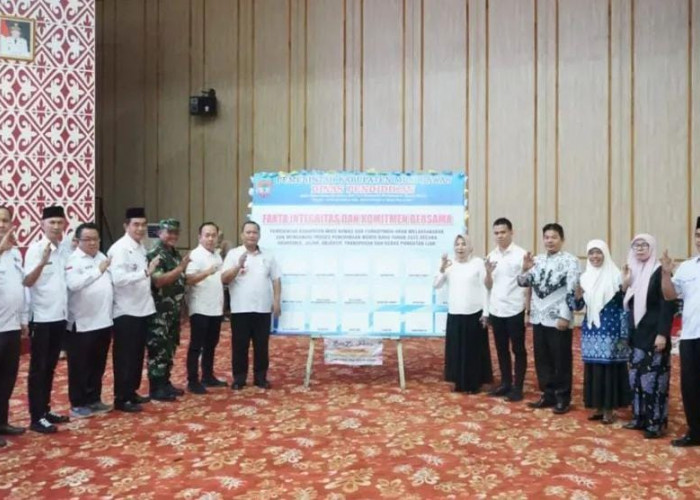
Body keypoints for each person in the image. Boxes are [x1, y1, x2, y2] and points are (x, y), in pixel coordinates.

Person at [517, 223, 579, 415]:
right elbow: (522, 282)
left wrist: (565, 316)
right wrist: (524, 269)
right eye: (546, 237)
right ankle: (548, 393)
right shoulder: (537, 260)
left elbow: (571, 290)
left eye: (554, 237)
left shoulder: (571, 261)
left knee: (561, 359)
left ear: (562, 239)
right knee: (542, 359)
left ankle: (562, 397)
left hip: (558, 318)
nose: (549, 241)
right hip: (538, 318)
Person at [568, 240, 631, 424]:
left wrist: (625, 285)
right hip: (591, 329)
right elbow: (577, 306)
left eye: (598, 252)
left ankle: (609, 409)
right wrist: (577, 296)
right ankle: (598, 406)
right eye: (591, 253)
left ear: (605, 254)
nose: (595, 256)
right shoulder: (584, 278)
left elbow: (624, 302)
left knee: (609, 368)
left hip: (612, 329)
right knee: (594, 367)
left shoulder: (616, 276)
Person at [23, 205, 71, 433]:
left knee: (51, 367)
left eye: (60, 222)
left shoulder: (63, 250)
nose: (56, 226)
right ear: (42, 224)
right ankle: (36, 417)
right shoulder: (36, 249)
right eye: (52, 222)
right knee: (39, 368)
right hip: (41, 318)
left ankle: (45, 410)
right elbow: (27, 282)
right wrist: (42, 263)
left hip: (59, 316)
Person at [622, 234, 675, 439]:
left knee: (653, 380)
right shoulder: (631, 271)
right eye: (636, 245)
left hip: (654, 334)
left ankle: (655, 423)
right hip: (636, 334)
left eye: (644, 245)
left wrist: (662, 333)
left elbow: (667, 304)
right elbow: (626, 303)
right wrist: (625, 284)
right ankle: (639, 417)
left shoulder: (660, 271)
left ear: (652, 248)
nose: (640, 248)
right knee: (636, 378)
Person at [108, 207, 159, 413]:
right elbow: (118, 279)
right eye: (136, 224)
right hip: (126, 311)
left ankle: (132, 391)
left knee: (137, 355)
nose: (140, 229)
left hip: (142, 308)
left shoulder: (141, 247)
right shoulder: (119, 249)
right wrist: (146, 272)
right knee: (125, 356)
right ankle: (121, 397)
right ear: (126, 226)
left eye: (143, 225)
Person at [222, 221, 281, 390]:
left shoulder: (268, 255)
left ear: (259, 235)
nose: (251, 235)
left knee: (261, 346)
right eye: (248, 232)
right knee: (240, 345)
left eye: (254, 232)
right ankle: (239, 378)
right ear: (242, 235)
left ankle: (260, 378)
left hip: (262, 309)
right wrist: (238, 266)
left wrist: (276, 301)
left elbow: (276, 279)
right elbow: (224, 279)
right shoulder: (233, 254)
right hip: (240, 309)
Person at [64, 223, 113, 418]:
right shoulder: (73, 260)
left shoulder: (102, 257)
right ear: (77, 241)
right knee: (79, 366)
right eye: (87, 239)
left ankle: (94, 398)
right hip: (82, 323)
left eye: (95, 239)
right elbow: (74, 284)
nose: (92, 243)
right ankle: (78, 403)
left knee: (97, 364)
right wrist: (97, 271)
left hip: (104, 320)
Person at [434, 234, 492, 394]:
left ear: (470, 247)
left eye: (463, 244)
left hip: (474, 313)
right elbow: (436, 285)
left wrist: (486, 312)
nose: (460, 247)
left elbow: (485, 289)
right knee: (456, 350)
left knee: (473, 350)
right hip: (455, 312)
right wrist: (441, 269)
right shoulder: (448, 264)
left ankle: (474, 383)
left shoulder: (478, 263)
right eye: (457, 244)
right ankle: (457, 381)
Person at [660, 218, 700, 447]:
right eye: (698, 235)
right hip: (691, 336)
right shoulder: (687, 266)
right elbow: (669, 295)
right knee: (691, 386)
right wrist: (666, 274)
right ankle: (696, 431)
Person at [146, 219, 190, 402]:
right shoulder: (155, 254)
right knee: (158, 350)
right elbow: (159, 281)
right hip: (159, 313)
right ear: (159, 233)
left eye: (175, 233)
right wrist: (180, 268)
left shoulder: (174, 253)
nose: (173, 236)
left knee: (170, 348)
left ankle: (165, 383)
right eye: (169, 232)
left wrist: (183, 309)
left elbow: (181, 282)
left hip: (173, 310)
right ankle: (156, 388)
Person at [484, 218, 528, 402]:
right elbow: (488, 286)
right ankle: (505, 383)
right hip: (496, 309)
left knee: (518, 349)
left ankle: (518, 387)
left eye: (503, 232)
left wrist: (528, 310)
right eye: (496, 233)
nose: (499, 236)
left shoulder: (521, 255)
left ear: (511, 232)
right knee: (501, 349)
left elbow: (527, 283)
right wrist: (488, 272)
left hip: (515, 308)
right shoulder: (491, 255)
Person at [185, 222, 227, 394]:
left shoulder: (217, 255)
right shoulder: (195, 255)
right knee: (196, 345)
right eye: (207, 235)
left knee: (211, 344)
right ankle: (192, 380)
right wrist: (206, 272)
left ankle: (207, 376)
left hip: (215, 308)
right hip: (200, 307)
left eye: (213, 235)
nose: (210, 239)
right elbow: (189, 279)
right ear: (199, 237)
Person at [0, 206, 28, 446]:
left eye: (5, 220)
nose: (2, 225)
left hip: (11, 325)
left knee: (7, 378)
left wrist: (23, 319)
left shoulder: (15, 253)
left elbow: (21, 287)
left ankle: (2, 422)